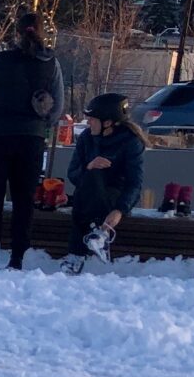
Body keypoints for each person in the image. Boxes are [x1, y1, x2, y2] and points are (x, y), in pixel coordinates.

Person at [0, 10, 64, 270]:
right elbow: (57, 105)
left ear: (17, 33)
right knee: (23, 201)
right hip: (31, 138)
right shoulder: (50, 63)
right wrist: (42, 124)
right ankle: (17, 257)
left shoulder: (0, 60)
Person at [63, 92, 148, 274]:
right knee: (90, 178)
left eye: (92, 119)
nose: (88, 123)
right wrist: (89, 166)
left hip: (114, 198)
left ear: (108, 123)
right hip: (87, 194)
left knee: (84, 195)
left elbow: (134, 183)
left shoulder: (131, 142)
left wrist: (119, 211)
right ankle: (98, 235)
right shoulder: (86, 138)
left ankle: (76, 253)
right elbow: (72, 174)